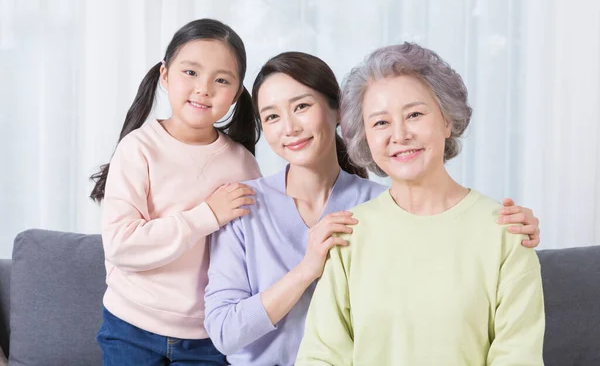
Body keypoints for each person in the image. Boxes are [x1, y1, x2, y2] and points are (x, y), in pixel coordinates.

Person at [204, 51, 542, 365]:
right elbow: (239, 336)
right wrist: (307, 268)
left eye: (414, 114)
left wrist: (502, 228)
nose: (400, 134)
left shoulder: (498, 231)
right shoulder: (338, 225)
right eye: (272, 116)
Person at [90, 19, 261, 365]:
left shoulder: (243, 165)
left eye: (222, 80)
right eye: (191, 72)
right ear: (165, 76)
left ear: (237, 94)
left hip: (207, 338)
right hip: (130, 327)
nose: (204, 89)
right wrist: (207, 215)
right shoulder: (138, 149)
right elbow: (121, 244)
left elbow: (253, 255)